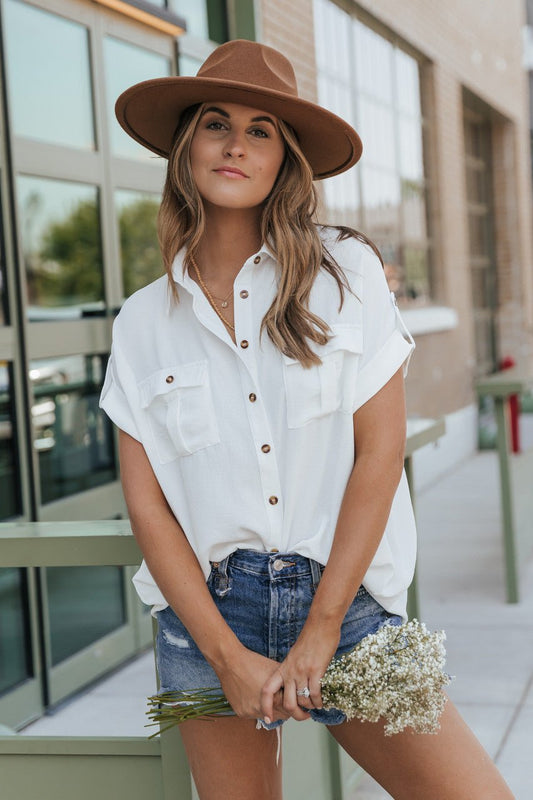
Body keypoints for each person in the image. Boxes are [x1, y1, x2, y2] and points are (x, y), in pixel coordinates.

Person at [100, 39, 513, 800]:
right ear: (184, 145)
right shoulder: (139, 322)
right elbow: (147, 503)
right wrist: (225, 658)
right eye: (215, 123)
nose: (234, 144)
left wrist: (321, 630)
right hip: (207, 623)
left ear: (283, 159)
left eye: (260, 130)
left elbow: (379, 453)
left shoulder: (344, 271)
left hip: (346, 612)